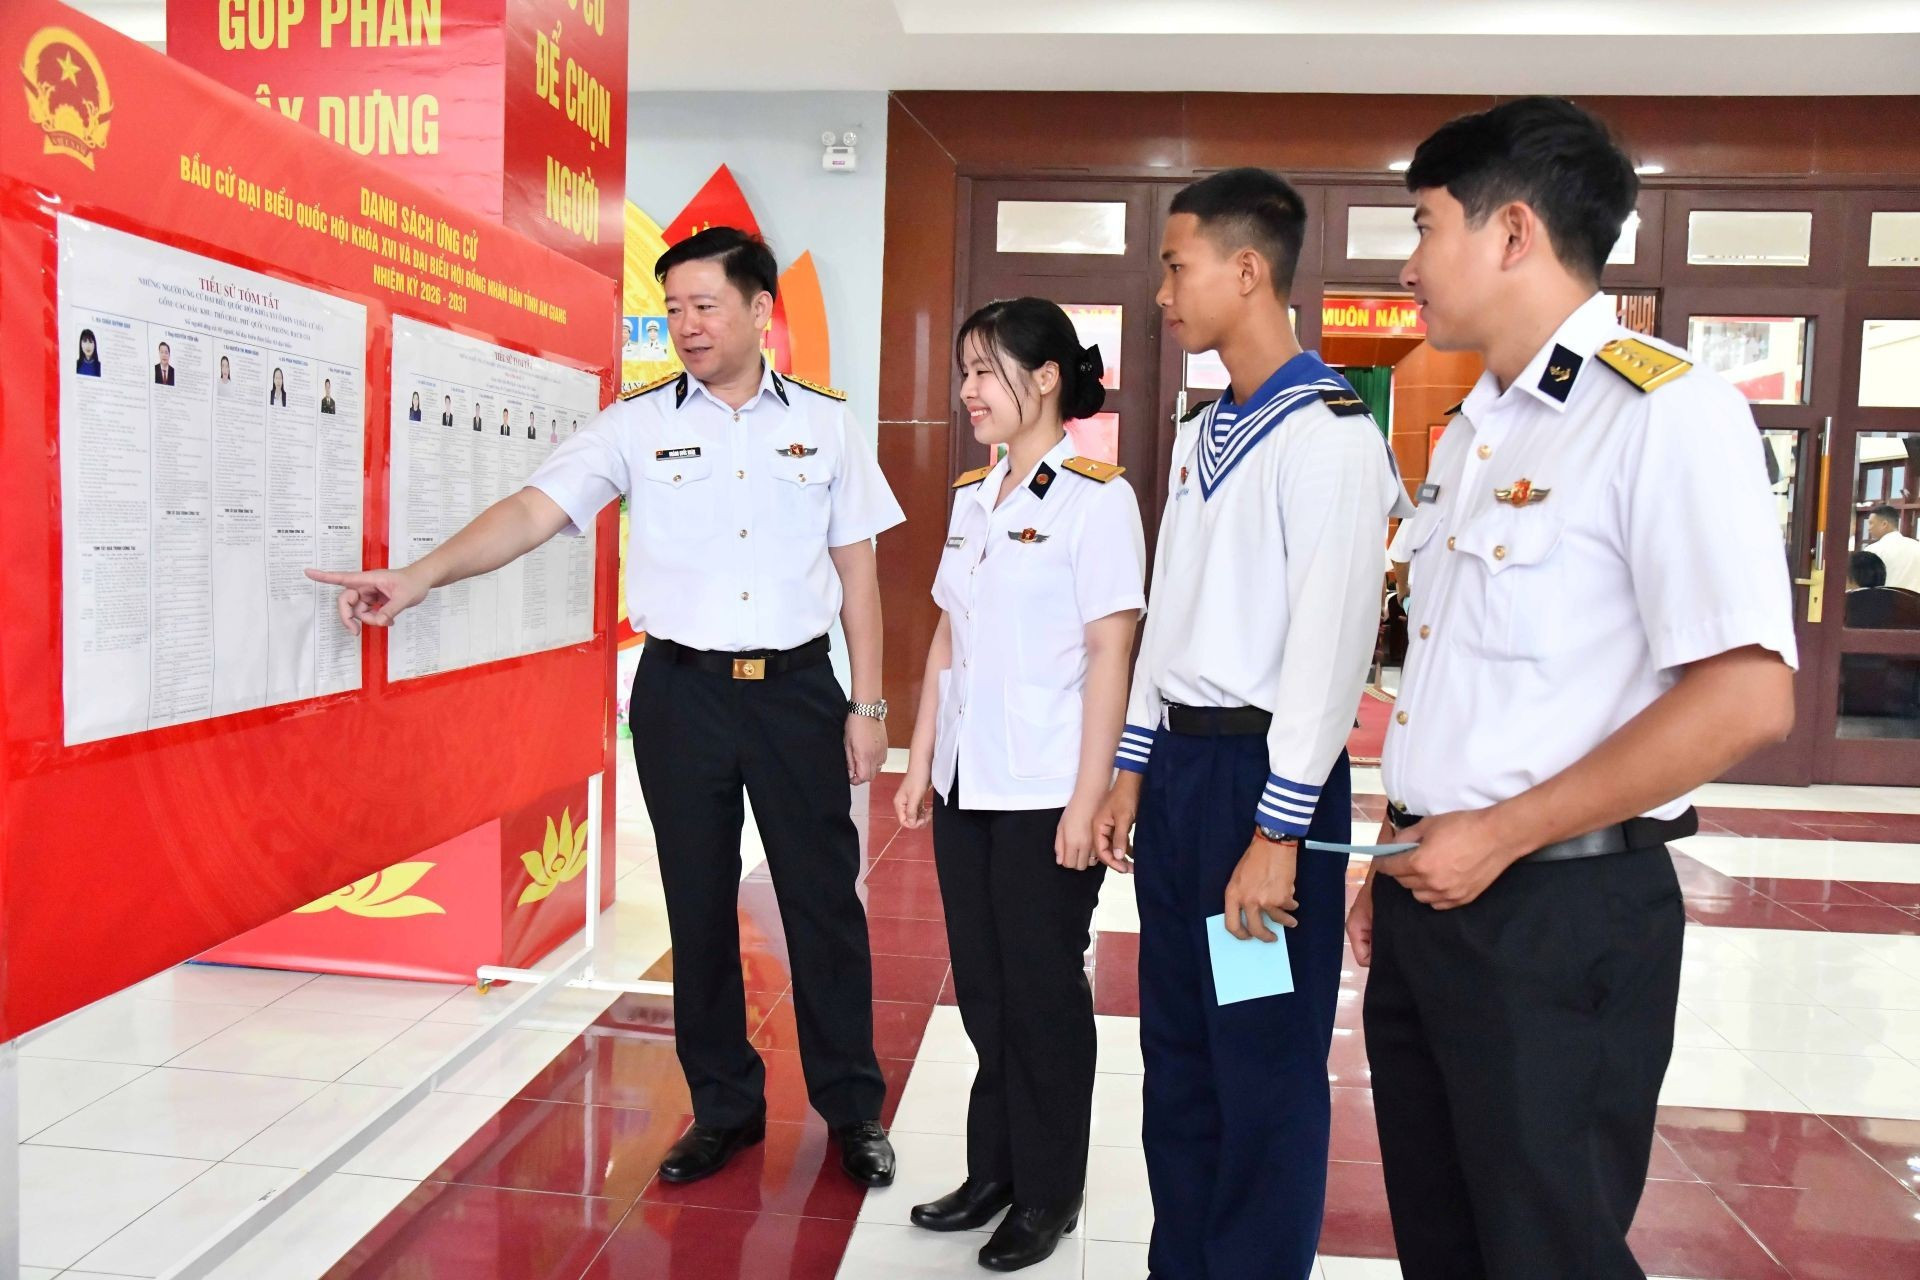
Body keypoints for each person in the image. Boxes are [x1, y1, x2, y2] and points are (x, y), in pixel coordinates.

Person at [307, 225, 905, 1191]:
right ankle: (724, 1108)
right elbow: (533, 510)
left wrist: (868, 704)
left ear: (761, 310)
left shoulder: (829, 425)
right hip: (681, 696)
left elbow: (860, 572)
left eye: (705, 306)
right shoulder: (636, 424)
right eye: (672, 309)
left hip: (798, 691)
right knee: (698, 908)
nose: (686, 326)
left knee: (823, 904)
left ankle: (852, 1109)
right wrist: (418, 576)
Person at [1352, 97, 1797, 1280]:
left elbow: (1747, 695)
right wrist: (1405, 845)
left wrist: (1495, 832)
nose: (1408, 264)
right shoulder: (1478, 429)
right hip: (1434, 894)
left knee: (1545, 1246)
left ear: (1509, 235)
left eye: (1425, 225)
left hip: (1559, 915)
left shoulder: (1662, 412)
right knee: (1444, 1242)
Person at [1090, 168, 1409, 1280]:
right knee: (1176, 1053)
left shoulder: (1327, 435)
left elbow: (1329, 647)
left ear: (1247, 269)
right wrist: (1133, 759)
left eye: (1175, 267)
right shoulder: (1203, 428)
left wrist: (1276, 835)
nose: (1163, 292)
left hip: (1260, 786)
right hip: (1182, 773)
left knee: (1258, 1057)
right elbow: (1169, 606)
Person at [895, 298, 1145, 1272]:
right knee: (986, 990)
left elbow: (1110, 648)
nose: (968, 392)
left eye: (985, 372)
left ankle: (1050, 1189)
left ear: (1044, 379)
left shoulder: (1096, 496)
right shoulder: (973, 493)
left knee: (1042, 992)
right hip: (968, 782)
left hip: (1047, 787)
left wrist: (1091, 796)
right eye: (964, 372)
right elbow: (948, 633)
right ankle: (992, 1167)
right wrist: (919, 757)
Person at [1865, 503, 1920, 592]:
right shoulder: (1917, 546)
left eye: (1871, 523)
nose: (1869, 528)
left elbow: (1863, 584)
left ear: (1884, 524)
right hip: (1915, 603)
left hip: (1882, 602)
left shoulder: (1872, 551)